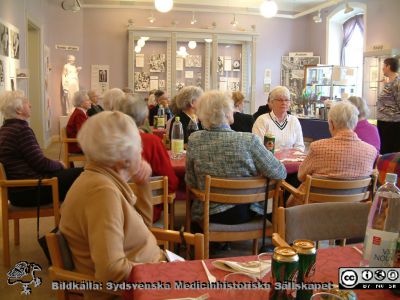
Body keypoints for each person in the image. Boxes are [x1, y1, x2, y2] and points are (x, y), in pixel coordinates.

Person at [59, 111, 162, 300]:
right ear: (123, 158)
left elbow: (143, 226)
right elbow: (111, 271)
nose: (141, 153)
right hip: (132, 291)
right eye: (138, 147)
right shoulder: (102, 192)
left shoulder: (103, 180)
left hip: (148, 273)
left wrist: (143, 183)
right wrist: (161, 273)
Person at [186, 91, 287, 225]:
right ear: (228, 113)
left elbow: (190, 181)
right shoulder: (249, 140)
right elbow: (280, 172)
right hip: (245, 212)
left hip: (208, 213)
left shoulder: (194, 139)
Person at [287, 101, 377, 207]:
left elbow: (301, 176)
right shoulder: (371, 151)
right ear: (355, 123)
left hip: (314, 210)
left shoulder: (318, 147)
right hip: (353, 212)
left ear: (331, 123)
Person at [0, 91, 82, 207]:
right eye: (26, 103)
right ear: (19, 110)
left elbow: (36, 162)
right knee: (85, 173)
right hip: (31, 190)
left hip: (17, 191)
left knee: (77, 175)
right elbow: (41, 164)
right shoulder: (21, 131)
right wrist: (60, 165)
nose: (30, 105)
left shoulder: (5, 129)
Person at [119, 94, 179, 222]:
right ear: (144, 118)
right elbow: (170, 183)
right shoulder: (152, 141)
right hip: (145, 211)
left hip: (112, 211)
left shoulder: (106, 142)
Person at [252, 86, 305, 152]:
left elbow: (300, 147)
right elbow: (257, 148)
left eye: (286, 100)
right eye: (280, 100)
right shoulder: (262, 120)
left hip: (291, 160)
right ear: (271, 102)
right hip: (268, 161)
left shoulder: (294, 121)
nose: (284, 103)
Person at [377, 57, 400, 154]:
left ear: (388, 66)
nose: (382, 68)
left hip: (392, 124)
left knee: (390, 152)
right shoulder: (390, 82)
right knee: (384, 151)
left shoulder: (397, 82)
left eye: (383, 65)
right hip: (385, 122)